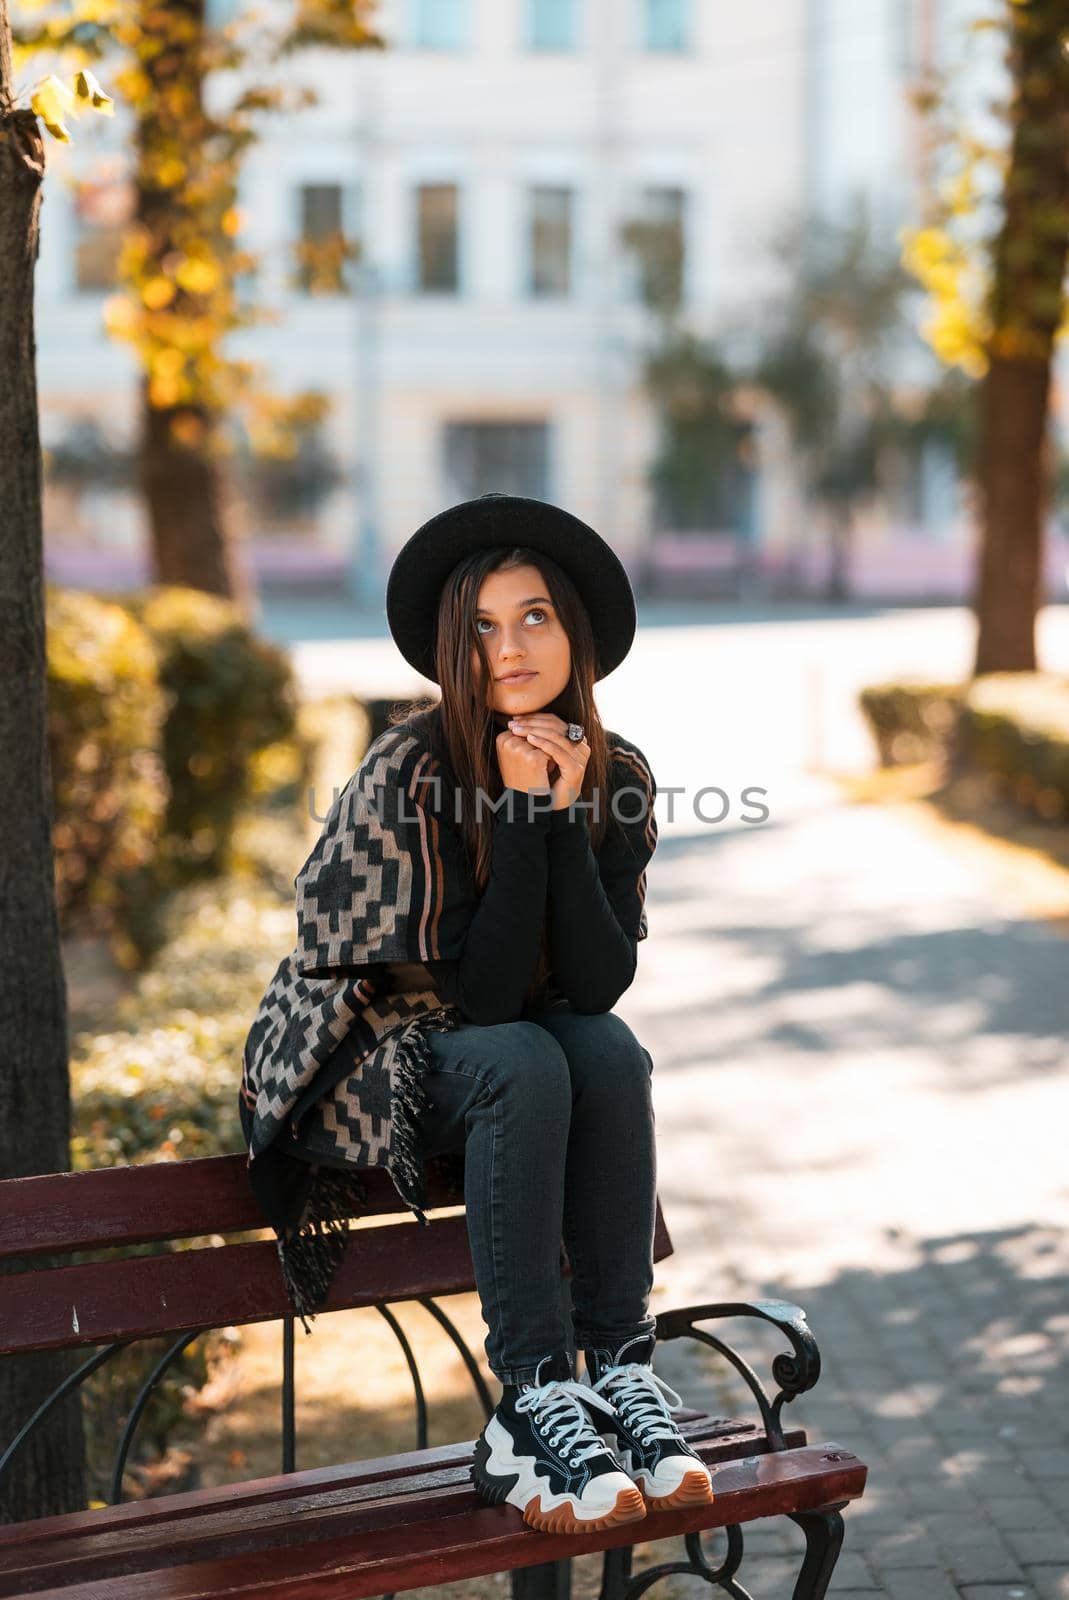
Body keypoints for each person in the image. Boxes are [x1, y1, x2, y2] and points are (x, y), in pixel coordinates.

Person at [238, 492, 714, 1536]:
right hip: (370, 1052)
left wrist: (554, 812)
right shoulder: (407, 772)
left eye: (535, 616)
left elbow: (592, 987)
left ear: (573, 631)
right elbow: (481, 1000)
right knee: (525, 1059)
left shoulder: (615, 772)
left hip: (511, 1043)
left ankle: (618, 1366)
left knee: (606, 1047)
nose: (511, 647)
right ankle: (532, 1396)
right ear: (456, 647)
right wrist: (515, 808)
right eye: (485, 626)